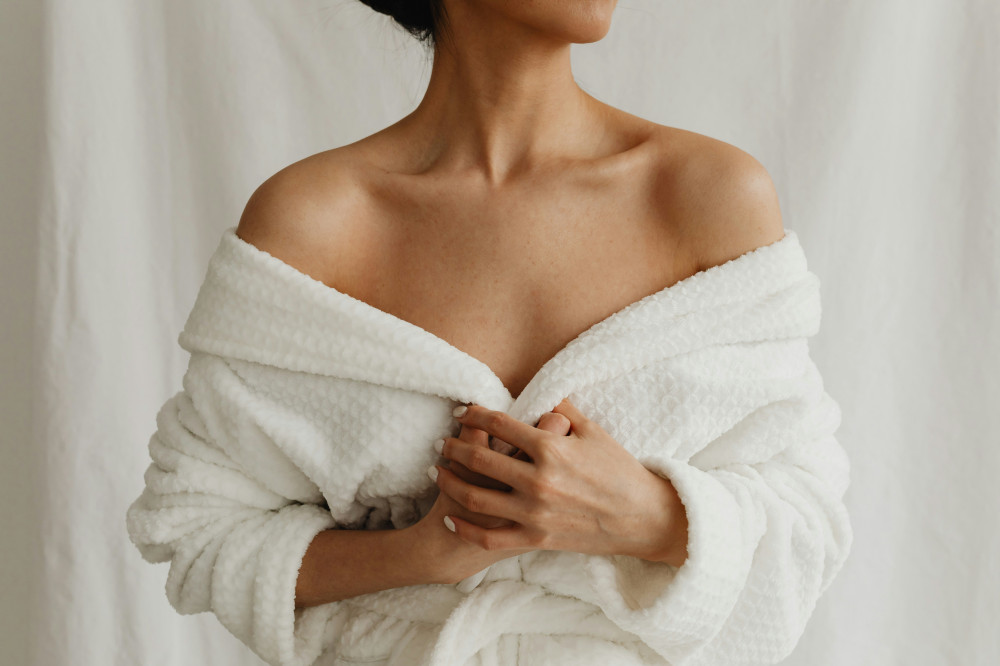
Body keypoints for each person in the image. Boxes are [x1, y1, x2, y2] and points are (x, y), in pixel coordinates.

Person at [127, 1, 852, 664]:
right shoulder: (314, 222)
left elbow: (808, 517)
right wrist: (425, 551)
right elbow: (197, 523)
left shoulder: (706, 198)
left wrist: (649, 517)